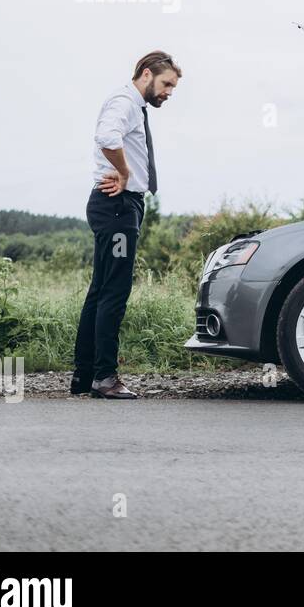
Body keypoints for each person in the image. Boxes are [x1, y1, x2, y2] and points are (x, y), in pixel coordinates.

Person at [70, 51, 181, 399]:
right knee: (114, 293)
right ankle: (104, 378)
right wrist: (124, 171)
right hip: (117, 207)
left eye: (173, 88)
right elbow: (107, 138)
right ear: (146, 75)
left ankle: (85, 376)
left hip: (118, 207)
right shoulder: (125, 101)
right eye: (166, 84)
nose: (168, 92)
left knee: (101, 291)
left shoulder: (133, 105)